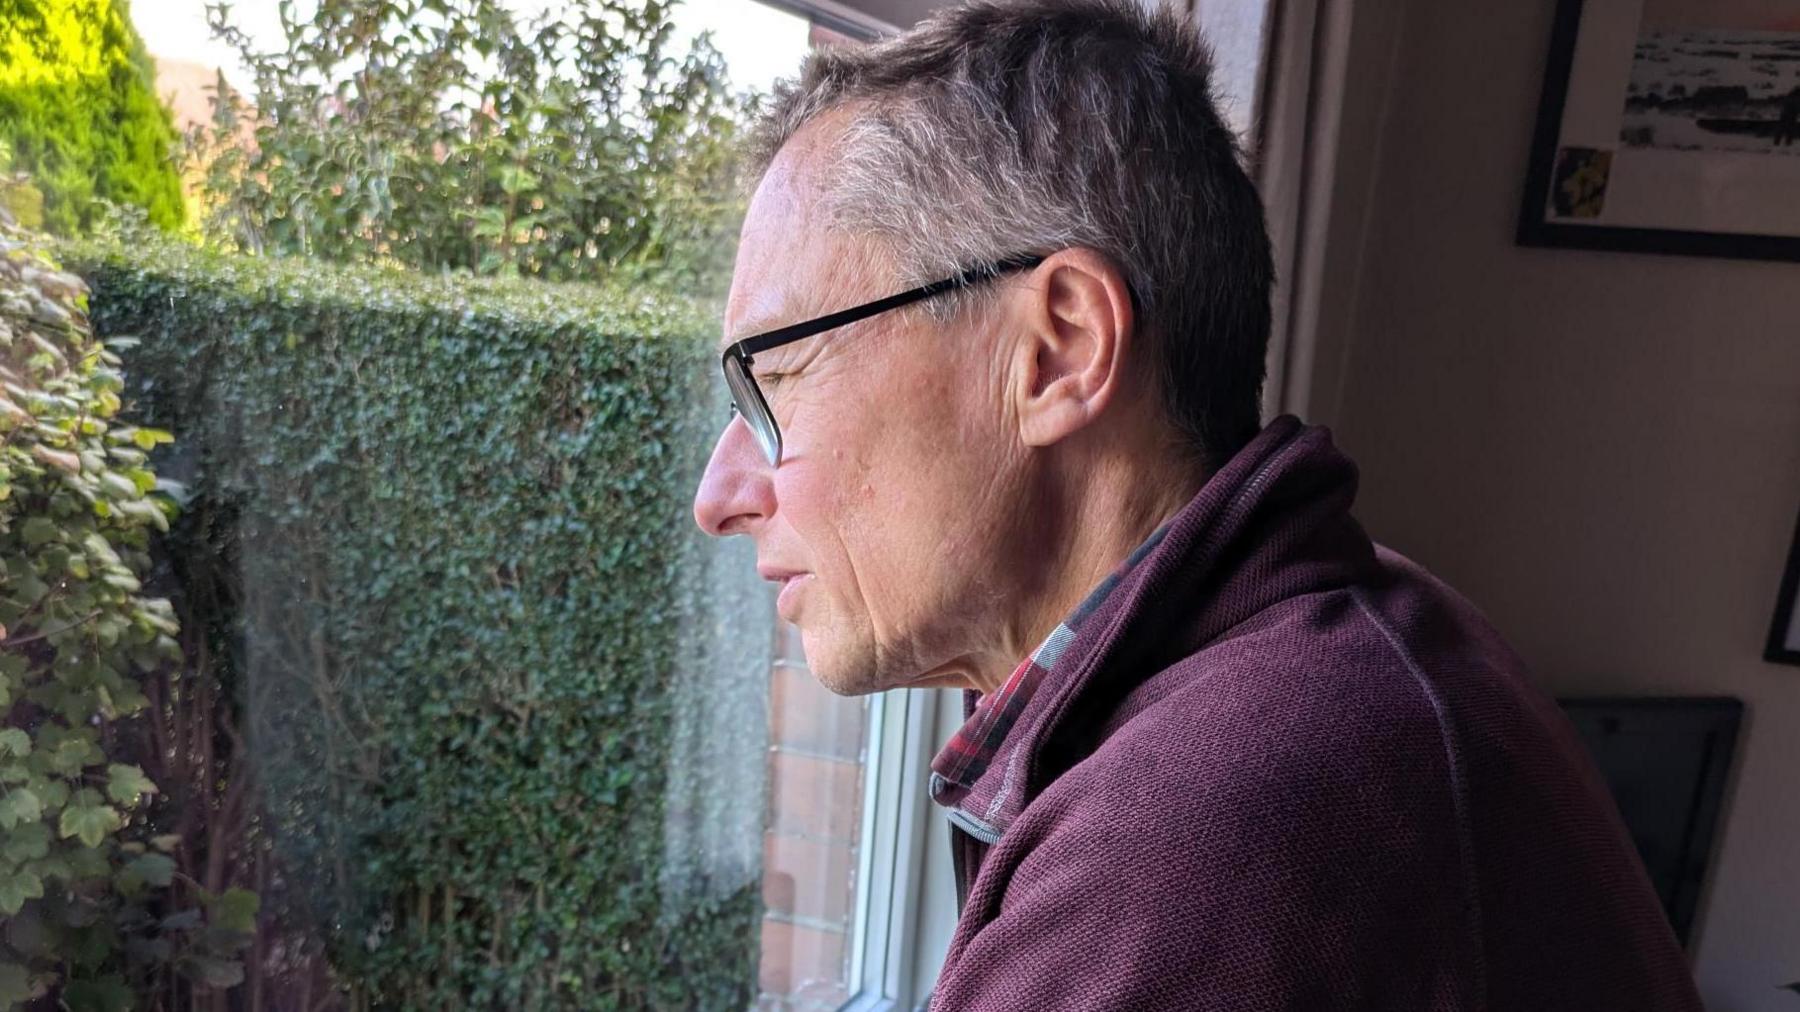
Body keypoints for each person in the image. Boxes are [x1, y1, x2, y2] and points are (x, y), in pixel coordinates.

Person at [692, 0, 1703, 1008]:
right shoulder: (1352, 629)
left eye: (777, 376)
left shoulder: (1205, 841)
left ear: (1058, 350)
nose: (719, 496)